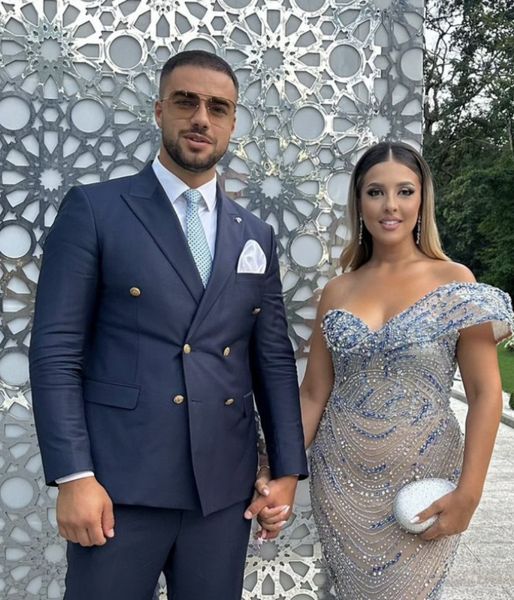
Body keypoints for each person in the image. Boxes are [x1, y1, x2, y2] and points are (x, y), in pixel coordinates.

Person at [29, 49, 308, 600]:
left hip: (221, 491)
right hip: (117, 486)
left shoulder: (255, 233)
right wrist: (74, 476)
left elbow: (272, 359)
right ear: (159, 110)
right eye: (186, 102)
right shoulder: (96, 210)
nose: (201, 118)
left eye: (218, 108)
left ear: (232, 122)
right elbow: (57, 351)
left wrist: (284, 472)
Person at [252, 141, 514, 598]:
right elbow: (313, 394)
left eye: (404, 191)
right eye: (375, 192)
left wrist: (469, 494)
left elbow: (485, 393)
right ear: (359, 202)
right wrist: (278, 470)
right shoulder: (338, 290)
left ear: (422, 200)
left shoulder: (455, 281)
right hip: (340, 483)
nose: (390, 205)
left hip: (424, 483)